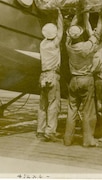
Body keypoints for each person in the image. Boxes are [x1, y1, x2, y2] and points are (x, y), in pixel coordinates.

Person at [63, 12, 102, 147]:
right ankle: (88, 140)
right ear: (81, 35)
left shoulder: (68, 47)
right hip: (86, 79)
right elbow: (94, 35)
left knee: (71, 111)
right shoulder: (86, 46)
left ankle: (67, 140)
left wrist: (77, 13)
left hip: (73, 80)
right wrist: (94, 16)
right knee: (88, 111)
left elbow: (69, 34)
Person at [36, 9, 63, 142]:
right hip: (53, 76)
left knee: (42, 104)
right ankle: (50, 131)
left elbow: (54, 33)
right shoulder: (55, 44)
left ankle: (40, 130)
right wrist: (59, 15)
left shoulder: (42, 44)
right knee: (53, 105)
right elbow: (61, 31)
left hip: (43, 76)